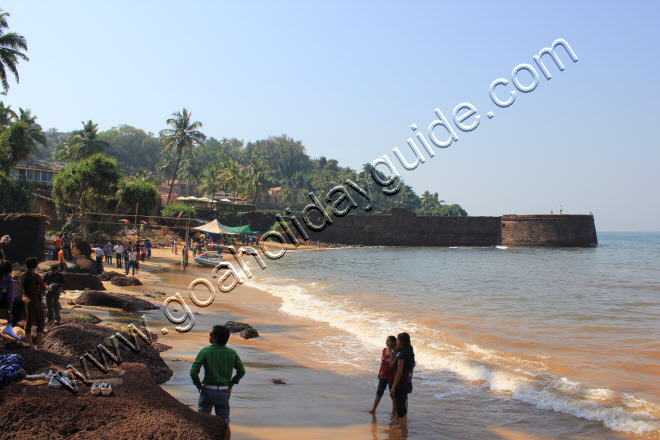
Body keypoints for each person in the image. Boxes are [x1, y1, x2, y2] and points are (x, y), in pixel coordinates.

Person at [190, 325, 245, 440]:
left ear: (214, 339)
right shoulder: (232, 353)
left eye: (211, 334)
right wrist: (231, 385)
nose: (209, 336)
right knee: (224, 421)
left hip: (208, 390)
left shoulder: (205, 352)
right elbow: (241, 371)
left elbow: (193, 372)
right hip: (224, 391)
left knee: (203, 418)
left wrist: (198, 385)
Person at [390, 332, 415, 437]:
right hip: (406, 382)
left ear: (402, 341)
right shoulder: (407, 351)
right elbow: (410, 369)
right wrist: (395, 352)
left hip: (400, 384)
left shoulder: (402, 354)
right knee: (403, 408)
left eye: (398, 340)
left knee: (400, 409)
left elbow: (399, 372)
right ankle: (404, 430)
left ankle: (404, 432)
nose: (397, 342)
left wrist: (393, 387)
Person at [20, 257, 47, 349]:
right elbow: (43, 286)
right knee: (40, 321)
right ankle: (39, 344)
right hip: (35, 300)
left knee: (28, 322)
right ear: (35, 265)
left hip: (26, 299)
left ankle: (30, 345)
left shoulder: (23, 275)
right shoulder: (35, 276)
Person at [368, 335, 397, 414]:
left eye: (388, 341)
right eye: (386, 341)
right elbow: (382, 362)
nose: (386, 343)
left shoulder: (396, 353)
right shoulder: (384, 350)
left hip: (392, 377)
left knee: (393, 395)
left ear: (393, 343)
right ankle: (374, 409)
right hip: (383, 375)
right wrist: (379, 372)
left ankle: (394, 411)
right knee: (379, 392)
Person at [0, 260, 19, 339]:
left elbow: (10, 294)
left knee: (19, 303)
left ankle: (10, 327)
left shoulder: (8, 277)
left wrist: (9, 311)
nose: (4, 276)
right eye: (3, 273)